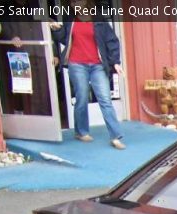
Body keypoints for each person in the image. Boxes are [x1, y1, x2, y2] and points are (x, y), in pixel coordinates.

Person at [50, 0, 125, 149]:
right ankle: (81, 131)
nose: (74, 4)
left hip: (97, 65)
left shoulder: (98, 19)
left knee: (105, 99)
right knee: (82, 97)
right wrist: (56, 29)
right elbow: (63, 38)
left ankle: (115, 136)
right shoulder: (70, 19)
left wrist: (115, 61)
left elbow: (112, 41)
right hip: (77, 64)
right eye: (72, 2)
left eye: (77, 1)